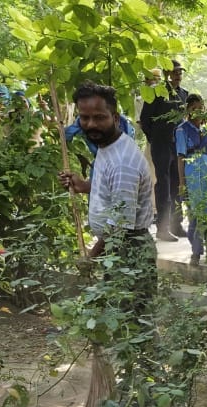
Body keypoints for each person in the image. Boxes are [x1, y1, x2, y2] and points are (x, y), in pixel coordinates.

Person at [59, 82, 157, 313]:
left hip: (129, 250)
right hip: (117, 248)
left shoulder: (123, 162)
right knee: (117, 319)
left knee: (133, 326)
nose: (91, 124)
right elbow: (111, 188)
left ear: (115, 117)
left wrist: (91, 257)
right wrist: (84, 186)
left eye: (99, 117)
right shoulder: (107, 146)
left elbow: (119, 227)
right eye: (84, 117)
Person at [139, 60, 189, 243]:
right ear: (168, 73)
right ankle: (163, 227)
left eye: (180, 72)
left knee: (178, 184)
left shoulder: (185, 95)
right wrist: (155, 138)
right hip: (161, 145)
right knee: (164, 185)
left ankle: (177, 224)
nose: (178, 75)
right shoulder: (158, 93)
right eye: (175, 72)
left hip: (179, 147)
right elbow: (145, 120)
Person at [175, 94, 207, 266]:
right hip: (192, 173)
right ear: (188, 110)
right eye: (194, 108)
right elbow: (181, 157)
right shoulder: (182, 130)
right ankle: (196, 252)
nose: (198, 112)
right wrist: (182, 183)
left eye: (200, 108)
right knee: (195, 213)